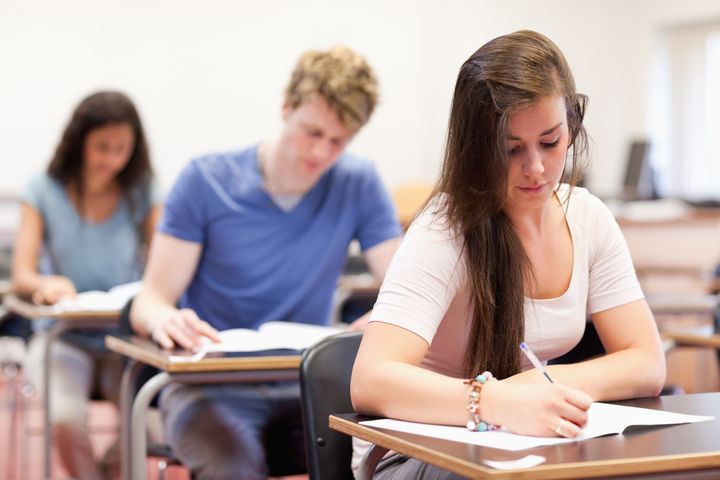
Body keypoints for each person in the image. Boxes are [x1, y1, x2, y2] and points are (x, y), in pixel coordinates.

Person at [350, 30, 666, 479]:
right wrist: (497, 400)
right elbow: (371, 379)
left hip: (523, 442)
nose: (536, 168)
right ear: (477, 148)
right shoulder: (444, 229)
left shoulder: (589, 218)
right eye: (511, 149)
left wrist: (540, 386)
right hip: (419, 449)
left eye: (551, 142)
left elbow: (646, 361)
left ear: (571, 127)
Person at [130, 45, 402, 479]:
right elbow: (151, 298)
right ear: (285, 107)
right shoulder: (206, 181)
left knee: (381, 463)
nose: (321, 153)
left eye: (338, 142)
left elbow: (406, 291)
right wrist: (165, 319)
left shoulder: (357, 182)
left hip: (305, 387)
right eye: (312, 132)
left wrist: (386, 319)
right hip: (212, 389)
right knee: (233, 465)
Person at [11, 90, 161, 479]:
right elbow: (21, 275)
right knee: (65, 419)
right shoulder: (42, 190)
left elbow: (164, 265)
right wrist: (45, 284)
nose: (111, 158)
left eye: (122, 148)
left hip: (123, 340)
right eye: (102, 147)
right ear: (79, 142)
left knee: (149, 424)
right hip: (63, 338)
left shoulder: (142, 191)